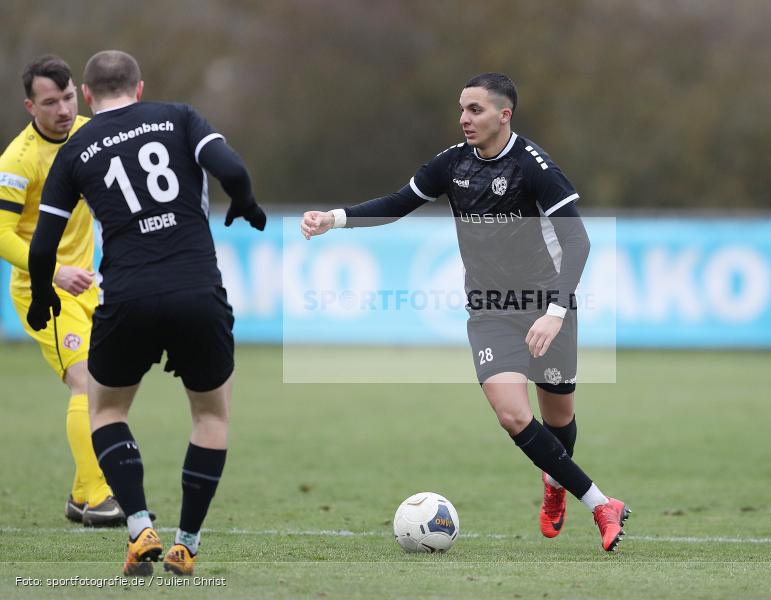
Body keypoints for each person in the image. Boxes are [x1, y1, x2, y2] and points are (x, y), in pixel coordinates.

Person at [302, 73, 630, 552]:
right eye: (462, 108)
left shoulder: (534, 167)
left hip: (545, 305)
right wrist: (336, 218)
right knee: (513, 414)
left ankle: (556, 484)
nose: (464, 118)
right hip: (490, 311)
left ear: (504, 114)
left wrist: (556, 311)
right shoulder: (451, 164)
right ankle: (602, 504)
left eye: (475, 109)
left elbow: (577, 241)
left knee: (558, 416)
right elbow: (397, 203)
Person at [27, 50, 266, 576]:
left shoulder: (75, 149)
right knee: (210, 416)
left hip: (128, 296)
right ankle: (187, 543)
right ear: (139, 88)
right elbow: (231, 168)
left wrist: (44, 295)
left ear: (86, 95)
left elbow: (44, 246)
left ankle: (138, 528)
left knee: (106, 410)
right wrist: (245, 203)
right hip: (197, 291)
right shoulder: (180, 117)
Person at [0, 55, 124, 526]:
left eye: (69, 97)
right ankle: (97, 497)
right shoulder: (18, 160)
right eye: (50, 102)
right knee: (86, 381)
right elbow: (1, 234)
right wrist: (52, 272)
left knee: (109, 384)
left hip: (86, 285)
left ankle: (78, 494)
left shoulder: (92, 134)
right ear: (31, 106)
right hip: (42, 292)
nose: (63, 110)